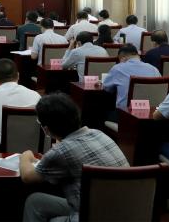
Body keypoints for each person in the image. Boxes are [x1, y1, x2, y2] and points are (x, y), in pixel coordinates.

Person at [19, 93, 128, 222]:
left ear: (46, 129)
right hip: (124, 211)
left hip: (91, 215)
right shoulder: (98, 133)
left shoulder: (60, 152)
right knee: (35, 202)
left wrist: (26, 155)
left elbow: (27, 177)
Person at [102, 44, 161, 111]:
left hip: (125, 114)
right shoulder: (154, 69)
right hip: (151, 113)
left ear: (122, 57)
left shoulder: (118, 68)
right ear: (138, 55)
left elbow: (106, 88)